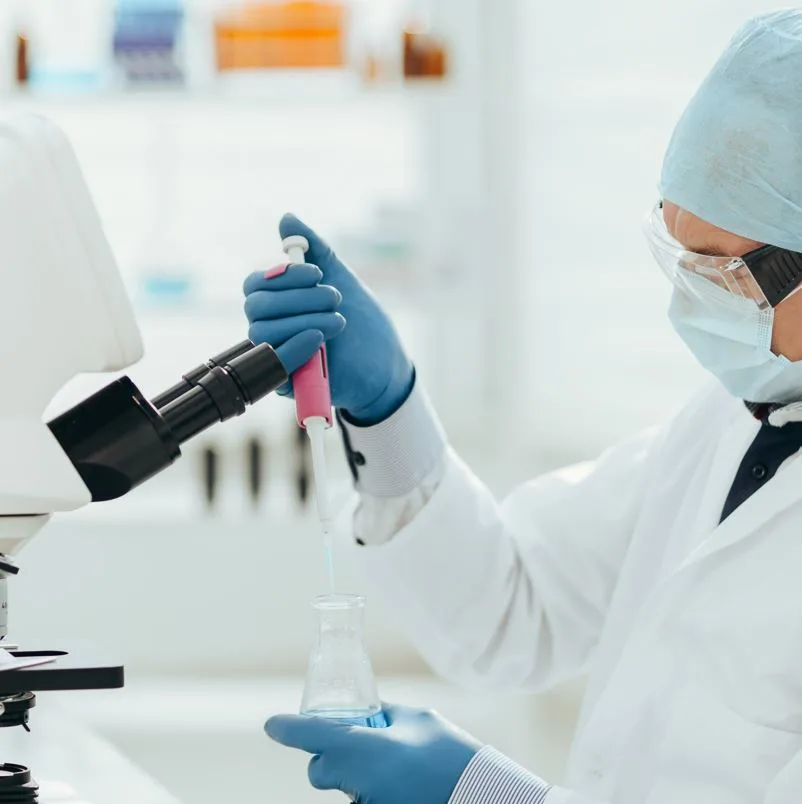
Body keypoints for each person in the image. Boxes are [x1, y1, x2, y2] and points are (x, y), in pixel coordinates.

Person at [243, 9, 802, 804]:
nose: (687, 302)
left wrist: (487, 795)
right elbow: (510, 611)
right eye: (673, 250)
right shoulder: (735, 415)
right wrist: (389, 405)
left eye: (719, 274)